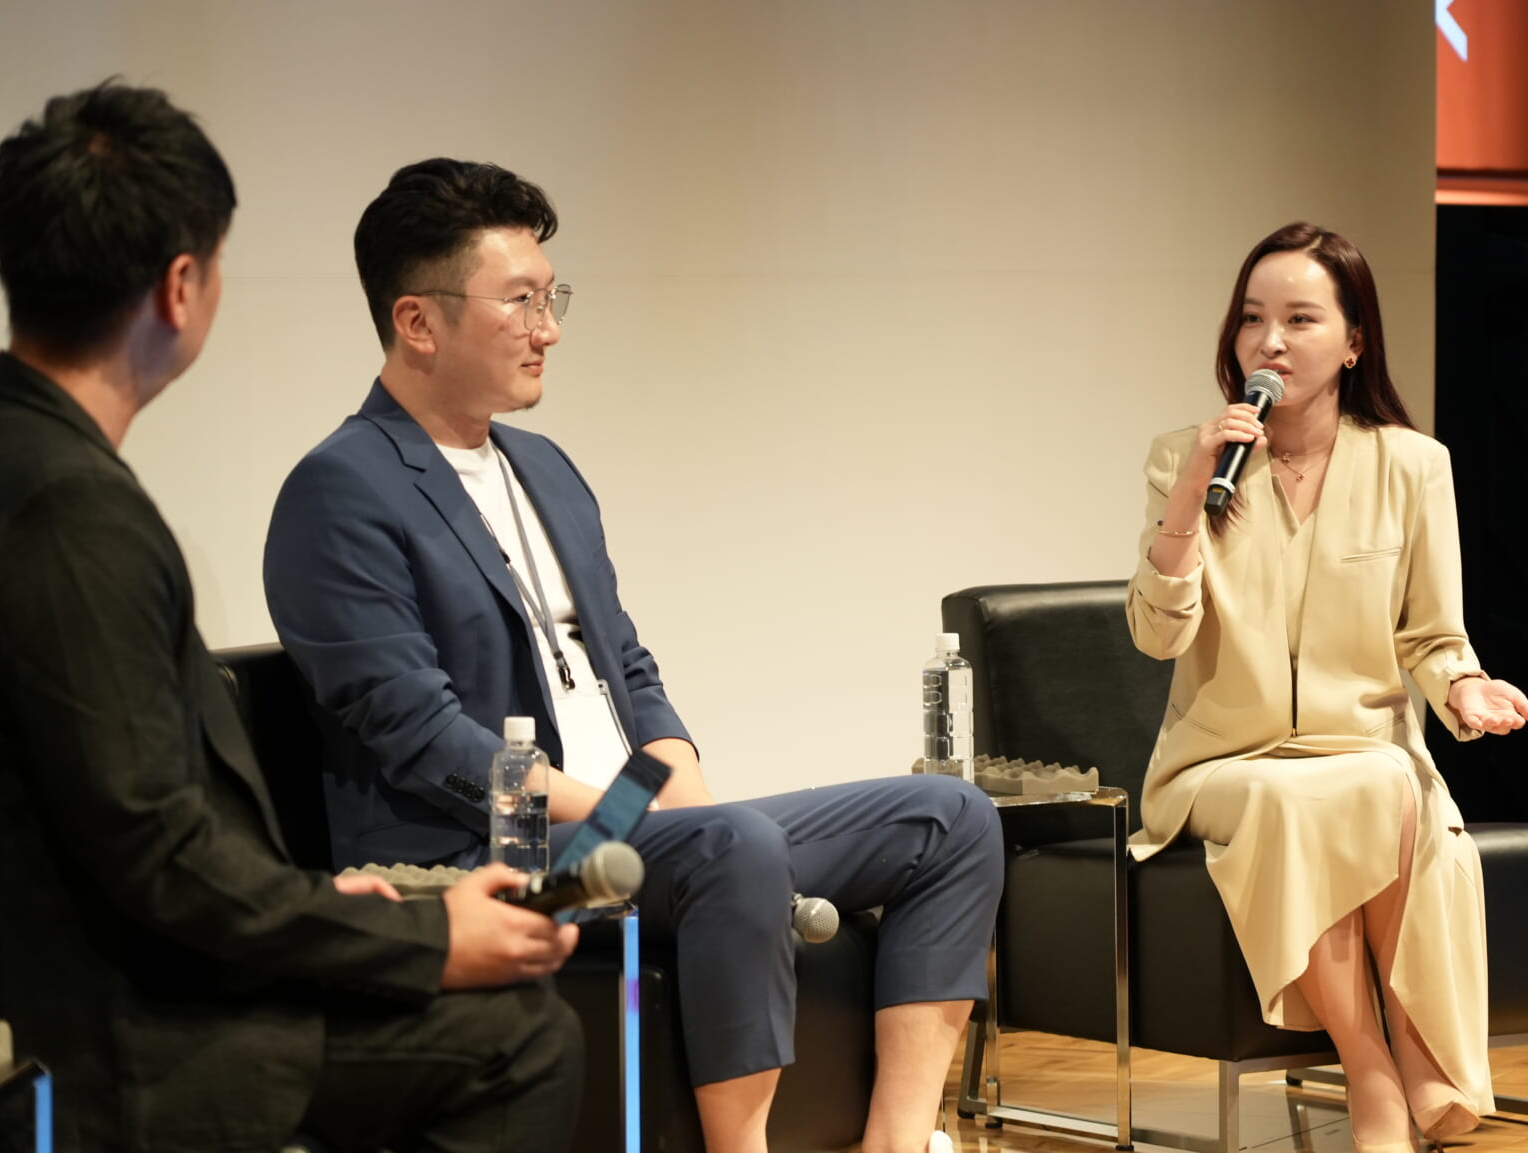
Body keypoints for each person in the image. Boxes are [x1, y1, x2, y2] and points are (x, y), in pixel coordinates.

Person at [261, 158, 1002, 1153]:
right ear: (418, 321)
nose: (548, 328)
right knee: (734, 847)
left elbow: (628, 673)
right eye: (520, 301)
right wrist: (642, 821)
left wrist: (678, 797)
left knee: (952, 819)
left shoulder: (545, 468)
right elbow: (425, 739)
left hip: (633, 827)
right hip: (501, 859)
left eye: (551, 297)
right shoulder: (340, 490)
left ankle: (896, 1143)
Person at [0, 85, 585, 1153]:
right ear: (181, 287)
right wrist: (419, 934)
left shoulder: (6, 464)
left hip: (102, 978)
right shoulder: (69, 508)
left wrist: (325, 899)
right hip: (112, 1034)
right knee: (520, 1040)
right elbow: (158, 852)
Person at [1125, 222, 1528, 1153]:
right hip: (1223, 767)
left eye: (1300, 319)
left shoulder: (1412, 465)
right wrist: (1190, 493)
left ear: (1354, 341)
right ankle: (1375, 1068)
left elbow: (1433, 634)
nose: (1269, 341)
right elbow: (1157, 635)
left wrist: (1463, 687)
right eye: (1252, 318)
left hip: (1361, 755)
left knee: (1382, 779)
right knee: (1311, 796)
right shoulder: (1182, 456)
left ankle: (1405, 1064)